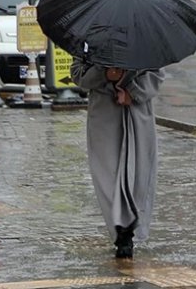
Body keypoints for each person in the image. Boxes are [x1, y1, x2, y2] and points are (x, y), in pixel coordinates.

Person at [70, 61, 165, 259]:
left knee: (140, 171)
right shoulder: (90, 41)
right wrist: (106, 75)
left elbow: (156, 73)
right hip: (103, 114)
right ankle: (121, 231)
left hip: (138, 113)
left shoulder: (143, 40)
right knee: (107, 175)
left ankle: (134, 223)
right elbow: (79, 75)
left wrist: (133, 93)